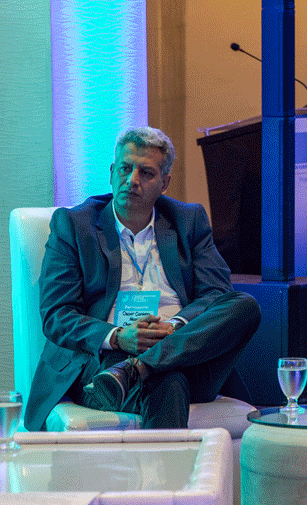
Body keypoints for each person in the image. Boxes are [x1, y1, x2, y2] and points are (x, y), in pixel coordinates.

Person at [24, 126, 261, 431]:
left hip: (185, 353)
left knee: (244, 305)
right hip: (106, 363)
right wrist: (118, 336)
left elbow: (216, 294)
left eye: (146, 173)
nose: (132, 180)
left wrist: (173, 328)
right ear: (112, 173)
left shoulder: (188, 221)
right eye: (125, 168)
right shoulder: (75, 225)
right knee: (168, 380)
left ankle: (140, 368)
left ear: (164, 183)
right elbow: (57, 315)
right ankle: (144, 372)